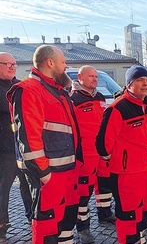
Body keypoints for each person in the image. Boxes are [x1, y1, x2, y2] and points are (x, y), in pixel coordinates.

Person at [7, 45, 81, 243]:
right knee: (47, 228)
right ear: (50, 63)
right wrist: (44, 174)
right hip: (48, 176)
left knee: (65, 224)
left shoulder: (57, 91)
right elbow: (29, 138)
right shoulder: (29, 90)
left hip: (65, 172)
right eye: (63, 62)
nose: (66, 66)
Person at [96, 65, 147, 244]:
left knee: (146, 211)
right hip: (126, 174)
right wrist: (122, 159)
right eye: (139, 80)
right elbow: (103, 146)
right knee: (128, 216)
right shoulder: (117, 108)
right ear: (129, 84)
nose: (145, 84)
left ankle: (138, 239)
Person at [69, 65, 115, 243]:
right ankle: (83, 227)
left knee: (104, 185)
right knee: (83, 192)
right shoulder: (73, 99)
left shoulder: (101, 97)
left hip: (101, 152)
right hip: (84, 154)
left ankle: (104, 213)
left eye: (96, 76)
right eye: (91, 76)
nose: (95, 79)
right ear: (80, 77)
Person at [0, 52, 33, 243]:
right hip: (4, 149)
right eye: (7, 64)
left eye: (14, 64)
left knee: (28, 185)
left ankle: (32, 218)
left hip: (24, 146)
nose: (12, 67)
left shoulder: (20, 86)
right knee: (3, 189)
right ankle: (2, 227)